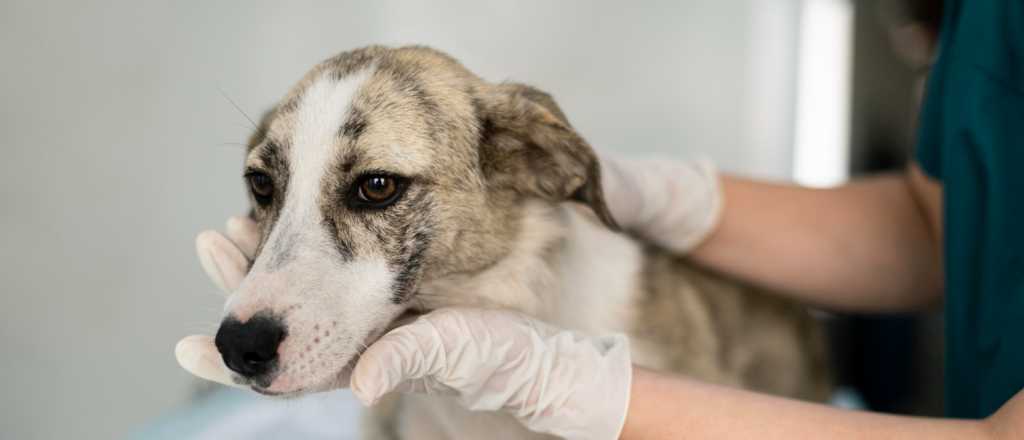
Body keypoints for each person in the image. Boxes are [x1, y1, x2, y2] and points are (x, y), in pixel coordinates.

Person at [194, 1, 1023, 438]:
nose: (263, 286)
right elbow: (941, 221)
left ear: (521, 160)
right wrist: (683, 197)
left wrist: (584, 393)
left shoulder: (641, 323)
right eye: (269, 188)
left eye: (374, 188)